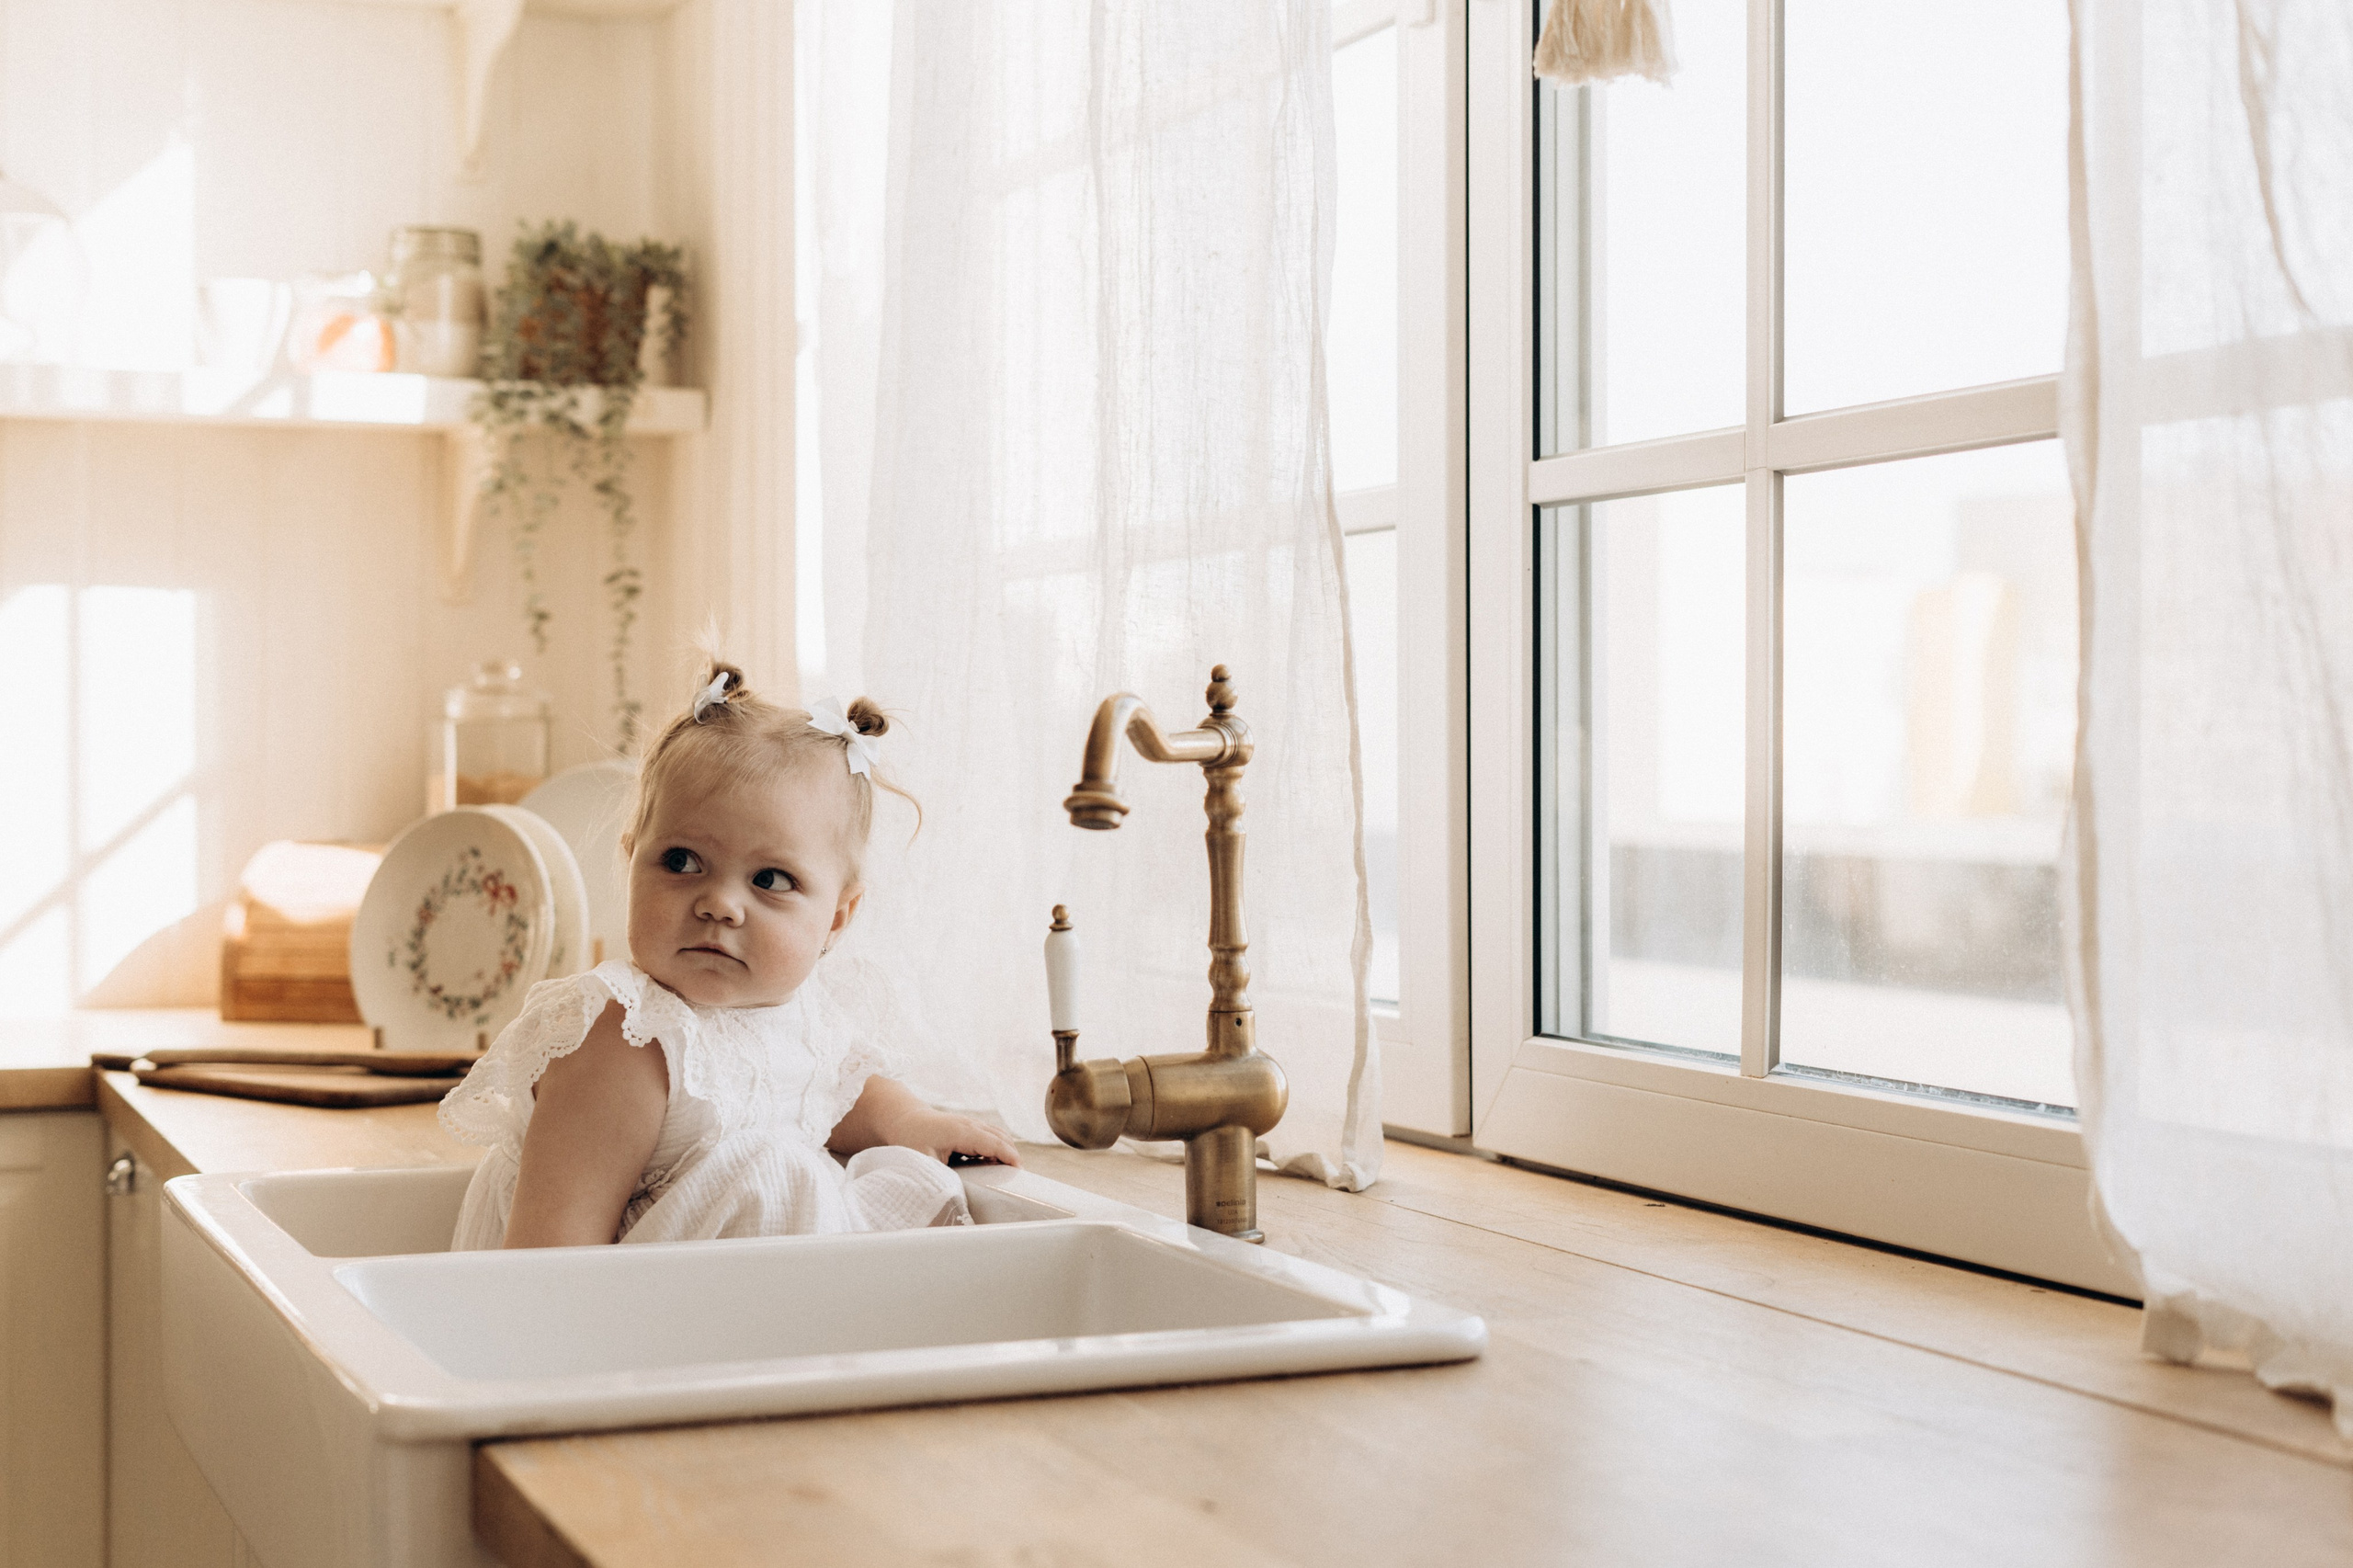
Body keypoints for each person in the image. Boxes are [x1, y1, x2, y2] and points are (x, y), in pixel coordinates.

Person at [441, 661, 1017, 1248]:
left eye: (769, 879)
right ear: (631, 861)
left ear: (837, 918)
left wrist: (912, 1123)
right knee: (778, 1177)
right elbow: (547, 1257)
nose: (720, 904)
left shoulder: (802, 1014)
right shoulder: (626, 1039)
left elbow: (831, 1086)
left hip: (706, 1303)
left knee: (896, 1186)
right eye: (681, 862)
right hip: (591, 1311)